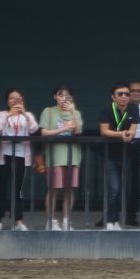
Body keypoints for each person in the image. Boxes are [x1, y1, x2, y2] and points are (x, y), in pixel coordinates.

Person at [0, 90, 39, 230]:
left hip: (21, 155)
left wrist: (25, 114)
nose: (14, 101)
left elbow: (34, 129)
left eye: (18, 98)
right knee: (2, 188)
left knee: (18, 189)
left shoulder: (27, 115)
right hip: (4, 155)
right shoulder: (1, 114)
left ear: (22, 100)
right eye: (11, 98)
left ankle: (18, 220)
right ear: (7, 101)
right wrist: (9, 115)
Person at [38, 87, 83, 231]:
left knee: (69, 190)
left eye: (67, 95)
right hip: (55, 155)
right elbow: (44, 132)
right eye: (60, 95)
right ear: (55, 96)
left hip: (72, 156)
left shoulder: (75, 112)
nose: (64, 98)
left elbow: (77, 131)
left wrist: (73, 112)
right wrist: (62, 130)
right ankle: (51, 221)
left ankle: (66, 220)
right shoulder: (48, 111)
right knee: (53, 189)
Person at [97, 83, 140, 230]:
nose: (124, 97)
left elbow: (133, 129)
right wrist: (121, 134)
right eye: (120, 94)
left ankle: (115, 219)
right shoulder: (106, 109)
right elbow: (104, 131)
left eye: (126, 94)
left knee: (120, 188)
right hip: (109, 154)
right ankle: (110, 221)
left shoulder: (133, 108)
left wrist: (129, 134)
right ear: (113, 97)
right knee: (114, 188)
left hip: (126, 154)